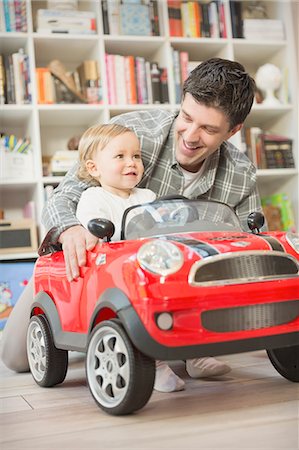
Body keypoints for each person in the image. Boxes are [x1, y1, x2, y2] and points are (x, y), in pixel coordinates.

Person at [1, 57, 259, 381]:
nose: (191, 136)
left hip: (175, 284)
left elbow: (250, 240)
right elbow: (63, 195)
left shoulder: (241, 174)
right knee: (15, 357)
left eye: (208, 129)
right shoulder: (134, 135)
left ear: (233, 130)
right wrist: (69, 230)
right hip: (91, 263)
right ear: (181, 102)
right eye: (187, 117)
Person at [75, 122, 186, 393]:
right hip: (116, 273)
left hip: (153, 264)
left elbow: (162, 228)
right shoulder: (94, 199)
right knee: (144, 307)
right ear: (94, 168)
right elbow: (94, 235)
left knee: (183, 294)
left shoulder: (146, 196)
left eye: (136, 156)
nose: (132, 162)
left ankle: (198, 353)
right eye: (120, 156)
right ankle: (157, 365)